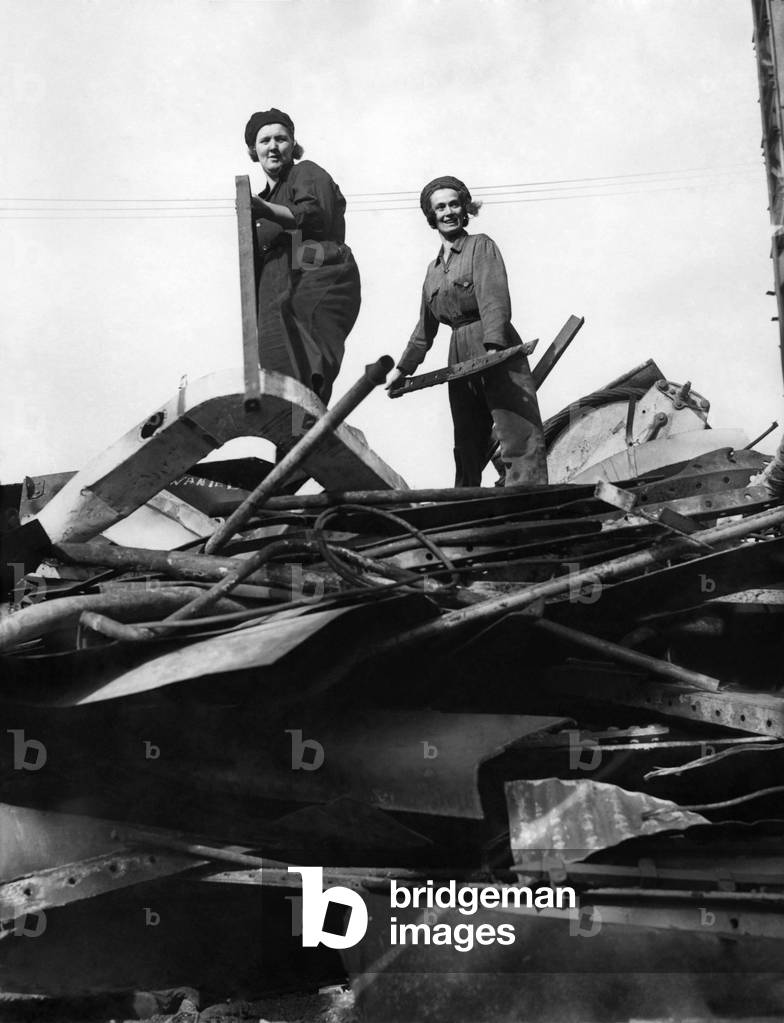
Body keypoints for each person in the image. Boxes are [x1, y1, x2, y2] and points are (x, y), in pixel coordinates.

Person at [386, 176, 548, 488]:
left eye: (454, 204)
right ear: (431, 215)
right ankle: (466, 498)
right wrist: (402, 369)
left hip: (493, 343)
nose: (448, 212)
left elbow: (493, 300)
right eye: (440, 207)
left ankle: (528, 495)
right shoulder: (433, 271)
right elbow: (424, 329)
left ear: (465, 209)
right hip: (458, 353)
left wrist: (494, 350)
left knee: (516, 429)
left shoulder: (481, 246)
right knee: (466, 437)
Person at [244, 108, 361, 405]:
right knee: (278, 379)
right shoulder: (260, 203)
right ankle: (292, 427)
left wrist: (266, 211)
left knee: (307, 369)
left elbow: (315, 216)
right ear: (253, 151)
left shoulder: (306, 172)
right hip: (273, 296)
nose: (273, 147)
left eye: (281, 139)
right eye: (265, 141)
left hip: (314, 274)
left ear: (293, 144)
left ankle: (308, 421)